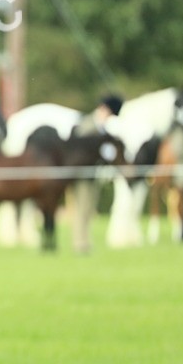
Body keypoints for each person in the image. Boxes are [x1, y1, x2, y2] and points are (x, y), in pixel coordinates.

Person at [70, 94, 123, 253]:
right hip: (82, 174)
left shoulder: (102, 128)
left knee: (89, 209)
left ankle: (85, 241)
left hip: (93, 173)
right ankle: (79, 243)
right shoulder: (88, 124)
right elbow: (81, 141)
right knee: (82, 208)